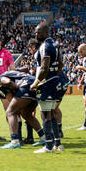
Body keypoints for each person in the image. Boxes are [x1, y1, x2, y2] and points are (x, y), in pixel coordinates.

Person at [30, 23, 64, 153]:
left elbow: (44, 67)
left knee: (45, 114)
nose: (36, 35)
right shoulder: (55, 45)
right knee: (51, 113)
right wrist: (54, 77)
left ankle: (48, 146)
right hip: (54, 81)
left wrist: (37, 82)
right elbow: (60, 64)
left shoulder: (45, 46)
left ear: (45, 32)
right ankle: (58, 144)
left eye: (38, 32)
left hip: (45, 83)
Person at [0, 71, 46, 149]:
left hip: (26, 86)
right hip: (36, 85)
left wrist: (17, 89)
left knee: (10, 112)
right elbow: (25, 69)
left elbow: (8, 82)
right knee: (26, 114)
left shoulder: (0, 79)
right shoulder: (10, 73)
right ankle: (43, 137)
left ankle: (14, 141)